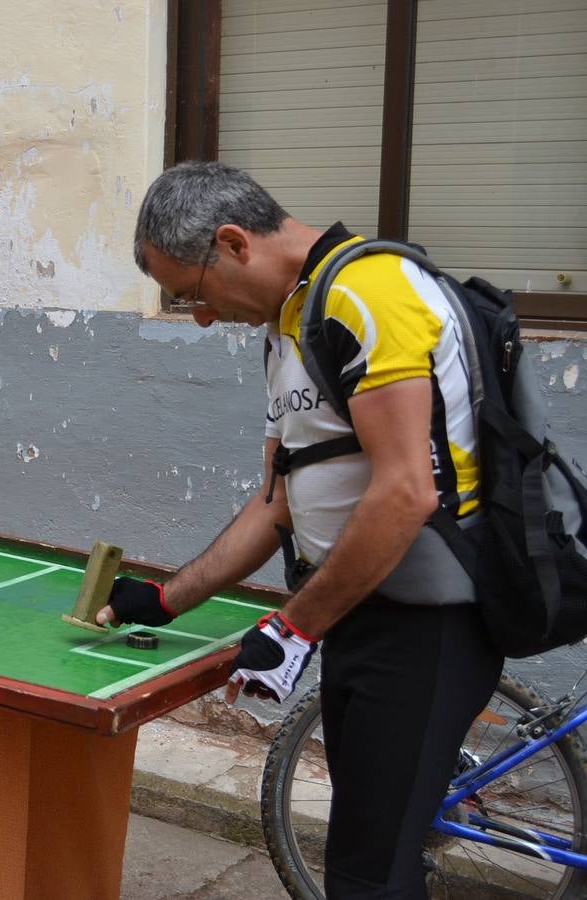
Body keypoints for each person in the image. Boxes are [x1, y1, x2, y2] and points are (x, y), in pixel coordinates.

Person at [100, 161, 503, 898]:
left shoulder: (363, 293)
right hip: (360, 614)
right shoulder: (290, 322)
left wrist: (293, 629)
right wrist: (165, 601)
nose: (198, 315)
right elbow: (276, 502)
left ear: (232, 242)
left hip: (426, 626)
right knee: (372, 856)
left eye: (191, 291)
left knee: (364, 877)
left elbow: (406, 491)